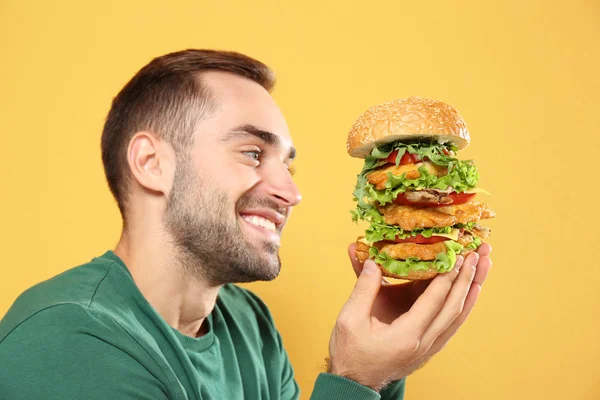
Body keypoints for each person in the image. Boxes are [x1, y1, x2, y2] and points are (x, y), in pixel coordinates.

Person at [0, 49, 492, 399]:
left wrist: (381, 369)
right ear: (151, 163)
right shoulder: (67, 340)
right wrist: (353, 381)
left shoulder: (249, 324)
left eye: (288, 166)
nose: (292, 194)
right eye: (252, 153)